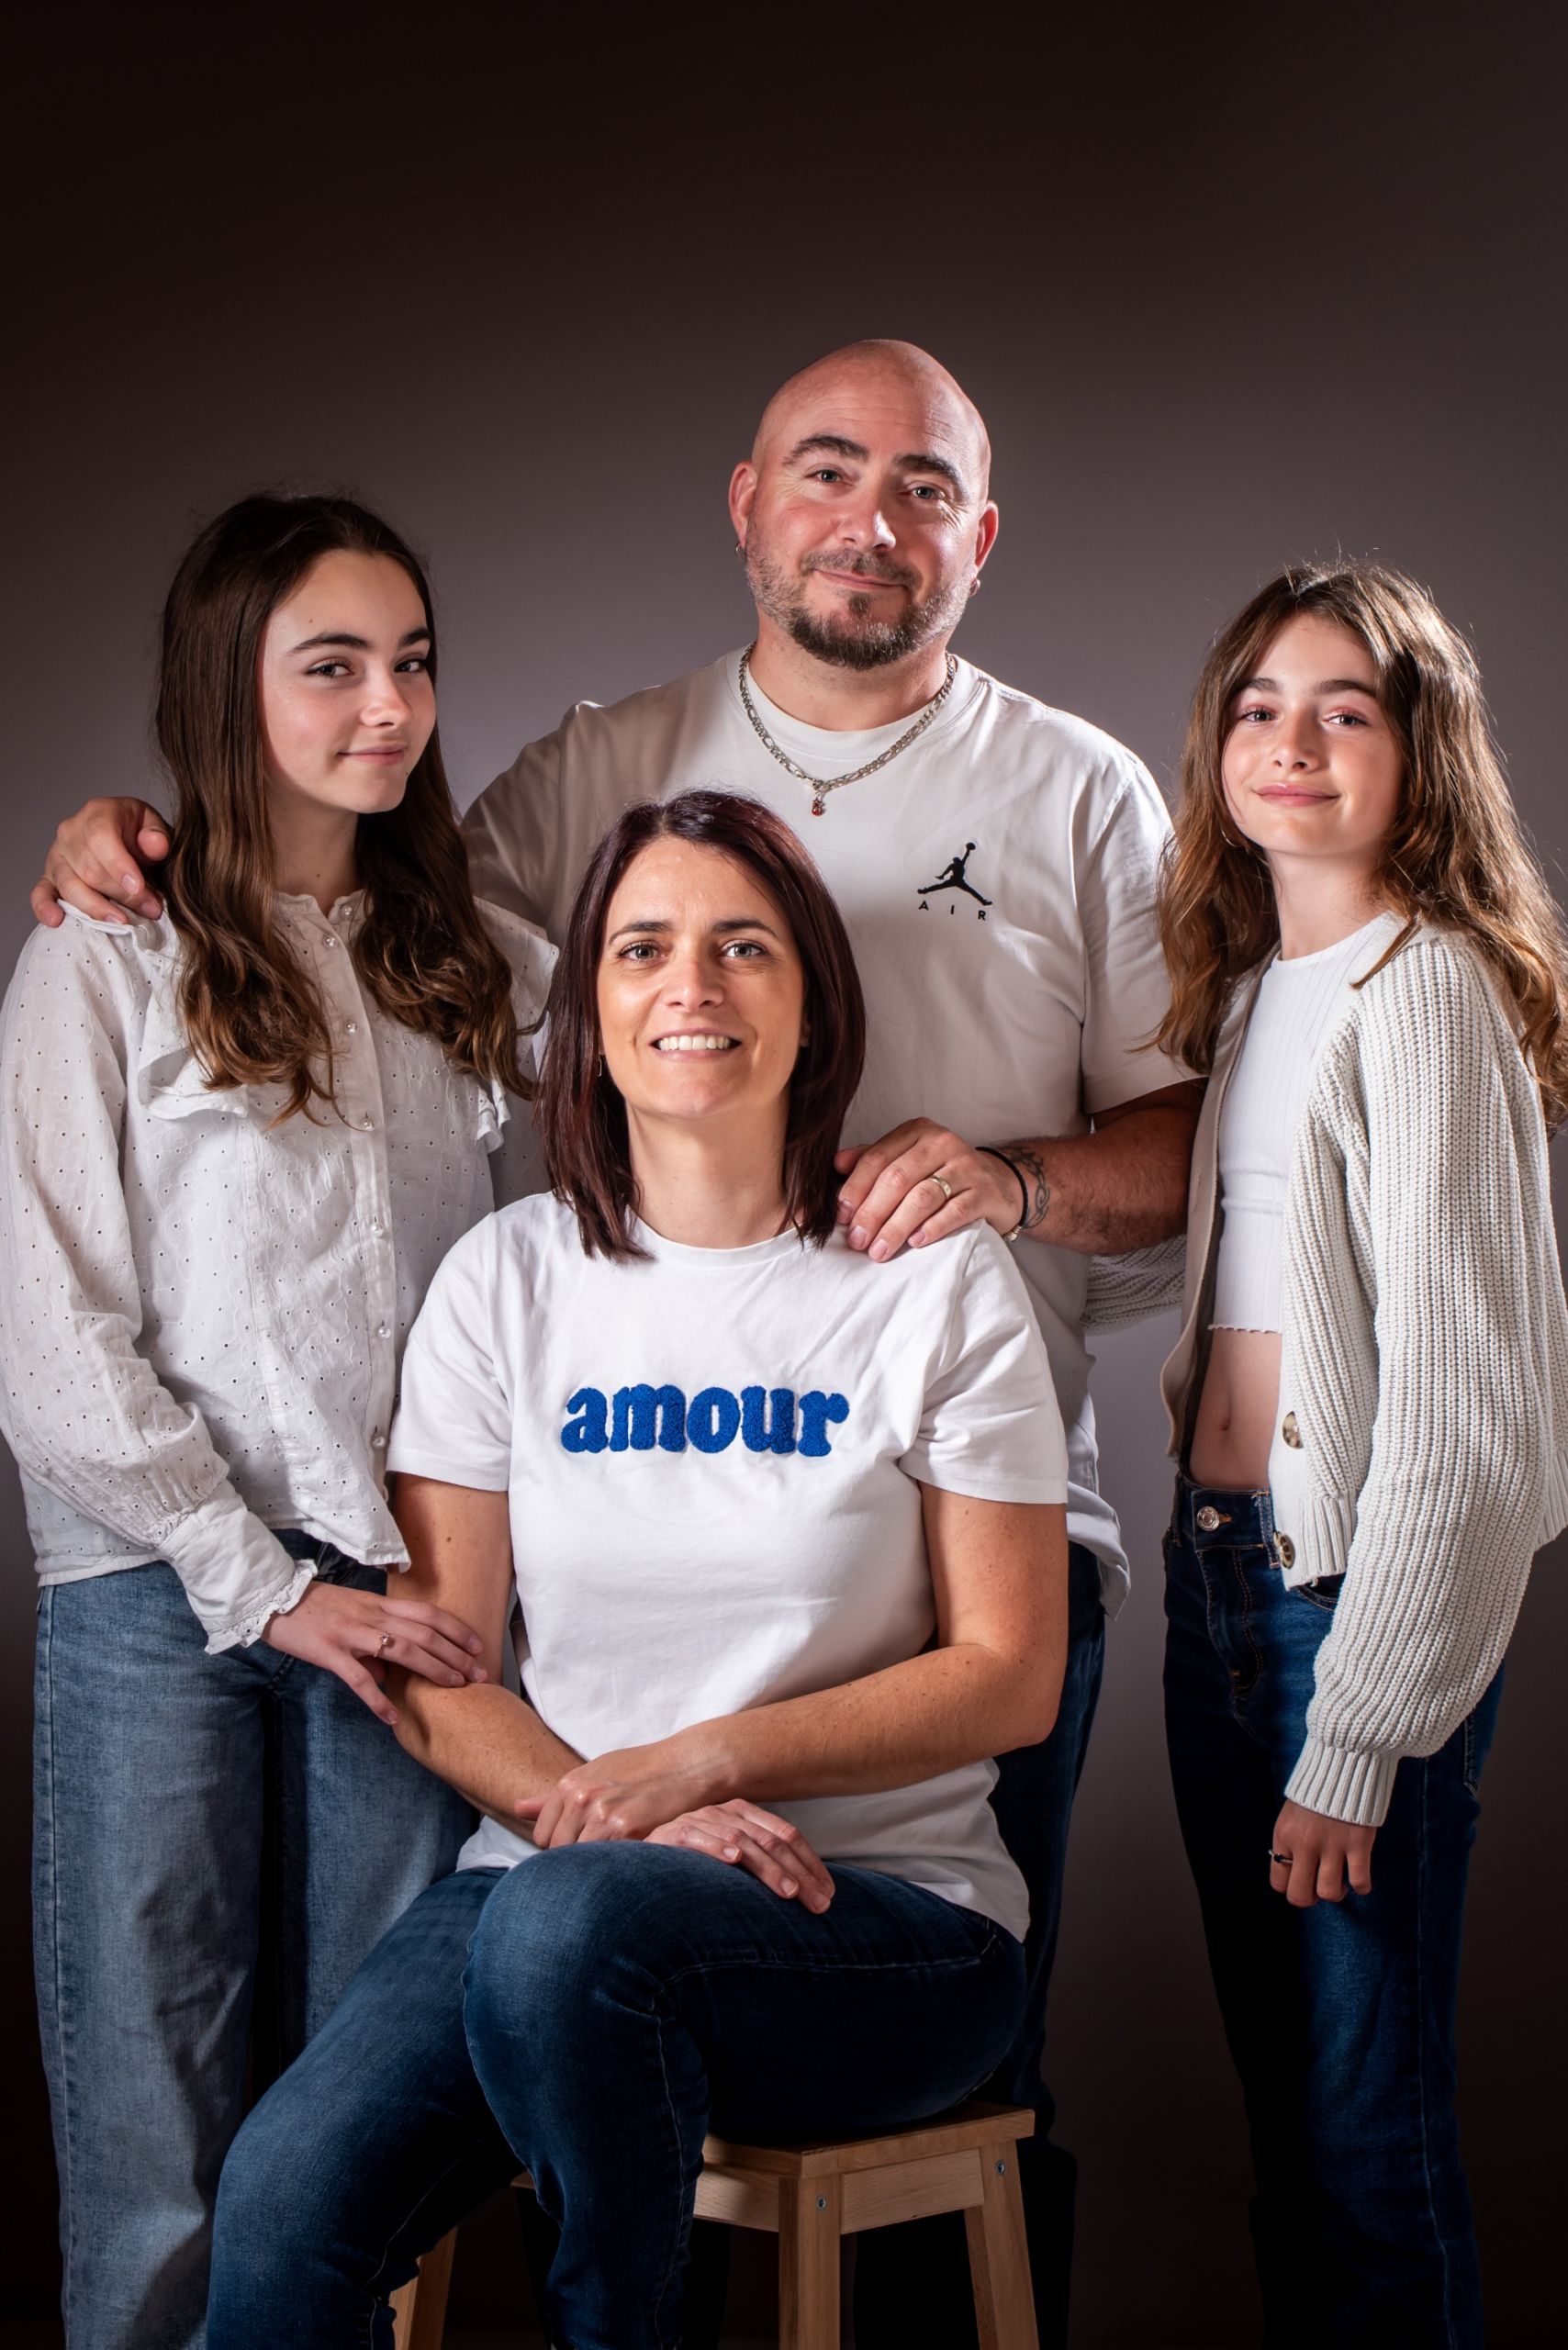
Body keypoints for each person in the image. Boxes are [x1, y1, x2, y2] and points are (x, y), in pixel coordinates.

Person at [34, 340, 1199, 2345]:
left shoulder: (1070, 800)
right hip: (422, 1713)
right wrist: (127, 841)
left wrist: (1002, 1182)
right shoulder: (510, 1231)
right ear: (741, 502)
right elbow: (377, 890)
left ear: (979, 536)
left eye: (922, 486)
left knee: (905, 2145)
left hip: (942, 1553)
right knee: (289, 2159)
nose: (869, 517)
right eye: (823, 470)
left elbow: (1187, 1145)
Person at [202, 788, 1070, 2350]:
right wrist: (612, 1823)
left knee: (568, 1931)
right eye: (644, 949)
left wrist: (697, 1769)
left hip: (882, 1921)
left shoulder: (934, 1282)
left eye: (745, 947)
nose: (694, 986)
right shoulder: (507, 1279)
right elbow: (438, 1661)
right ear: (588, 1017)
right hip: (554, 1894)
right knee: (281, 2213)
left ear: (812, 1003)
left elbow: (1011, 1674)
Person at [0, 494, 554, 2350]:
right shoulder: (104, 954)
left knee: (348, 2132)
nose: (384, 705)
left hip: (399, 1597)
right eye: (331, 663)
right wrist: (253, 1575)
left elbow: (679, 1040)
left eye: (410, 661)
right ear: (226, 681)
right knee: (154, 2140)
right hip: (156, 1594)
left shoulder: (467, 960)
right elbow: (49, 1335)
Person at [1155, 561, 1568, 2347]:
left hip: (1344, 1616)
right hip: (1213, 1579)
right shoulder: (1256, 992)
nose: (1290, 740)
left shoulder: (1423, 991)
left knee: (1363, 2140)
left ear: (1419, 753)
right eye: (1257, 703)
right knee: (1288, 2127)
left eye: (1343, 708)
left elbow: (1470, 1425)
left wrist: (1359, 1719)